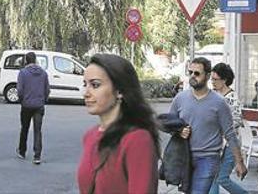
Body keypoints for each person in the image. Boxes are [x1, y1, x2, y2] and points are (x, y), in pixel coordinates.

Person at [77, 53, 158, 194]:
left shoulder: (137, 140)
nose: (86, 93)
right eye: (85, 84)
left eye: (95, 85)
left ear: (119, 90)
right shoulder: (90, 136)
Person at [169, 57, 247, 194]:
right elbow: (169, 123)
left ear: (207, 75)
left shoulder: (219, 102)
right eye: (190, 72)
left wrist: (239, 162)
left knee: (208, 186)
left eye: (197, 73)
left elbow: (230, 133)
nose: (193, 76)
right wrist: (178, 131)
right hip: (186, 157)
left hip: (208, 157)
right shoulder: (180, 99)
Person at [209, 63, 248, 194]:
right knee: (214, 178)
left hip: (231, 145)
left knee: (221, 178)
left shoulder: (232, 98)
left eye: (215, 79)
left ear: (224, 80)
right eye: (211, 79)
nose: (213, 82)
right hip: (216, 144)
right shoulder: (213, 95)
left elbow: (236, 121)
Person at [16, 51, 50, 164]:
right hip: (39, 105)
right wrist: (43, 100)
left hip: (26, 105)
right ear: (35, 60)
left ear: (26, 61)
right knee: (37, 130)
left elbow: (20, 90)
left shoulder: (23, 73)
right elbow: (47, 90)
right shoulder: (43, 73)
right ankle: (37, 156)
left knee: (24, 128)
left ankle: (22, 151)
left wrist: (22, 100)